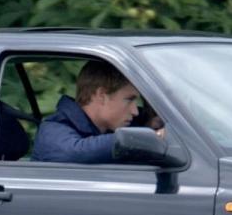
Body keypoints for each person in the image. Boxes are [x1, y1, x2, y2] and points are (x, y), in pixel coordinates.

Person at [31, 60, 163, 163]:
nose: (135, 111)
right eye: (129, 100)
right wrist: (146, 138)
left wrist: (152, 126)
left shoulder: (114, 125)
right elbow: (75, 152)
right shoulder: (53, 130)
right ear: (101, 95)